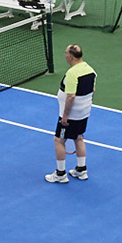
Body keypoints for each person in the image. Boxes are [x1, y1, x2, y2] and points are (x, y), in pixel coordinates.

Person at [45, 44, 96, 183]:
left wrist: (65, 115)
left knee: (59, 140)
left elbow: (71, 96)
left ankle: (60, 174)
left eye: (66, 53)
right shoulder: (90, 70)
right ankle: (81, 170)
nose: (65, 55)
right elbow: (93, 90)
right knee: (78, 137)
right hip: (84, 112)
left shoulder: (72, 73)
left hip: (71, 116)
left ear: (71, 56)